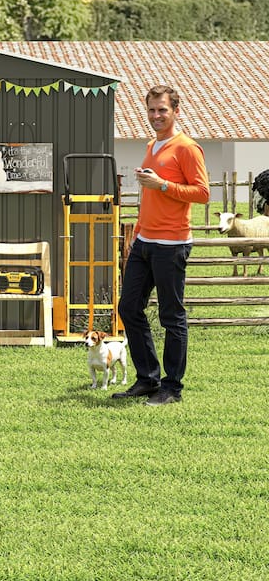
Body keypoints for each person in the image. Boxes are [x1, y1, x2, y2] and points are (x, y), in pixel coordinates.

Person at [113, 85, 210, 405]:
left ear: (175, 111)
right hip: (145, 242)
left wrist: (163, 184)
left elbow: (202, 193)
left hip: (172, 245)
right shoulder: (152, 145)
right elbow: (149, 197)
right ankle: (147, 379)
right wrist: (136, 236)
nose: (156, 115)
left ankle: (172, 387)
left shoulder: (187, 148)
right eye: (152, 110)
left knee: (171, 316)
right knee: (128, 307)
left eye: (162, 110)